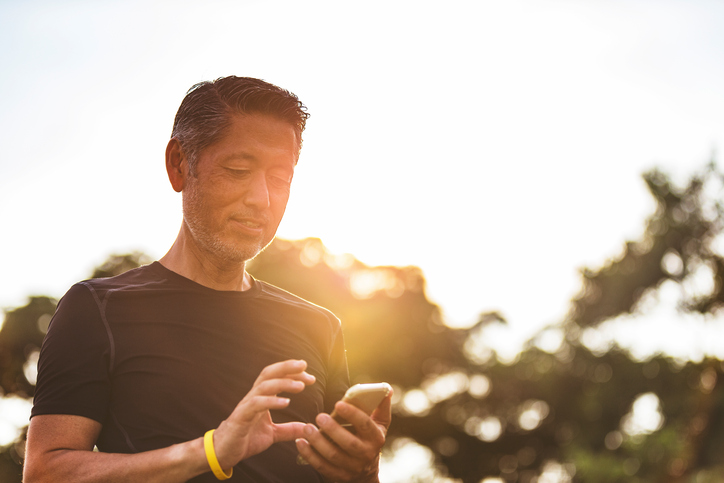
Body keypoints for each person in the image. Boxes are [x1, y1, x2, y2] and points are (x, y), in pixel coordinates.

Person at [23, 76, 392, 483]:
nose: (262, 199)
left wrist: (365, 470)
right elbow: (45, 473)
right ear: (179, 164)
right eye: (238, 170)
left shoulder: (321, 326)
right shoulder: (96, 308)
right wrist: (211, 451)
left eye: (280, 179)